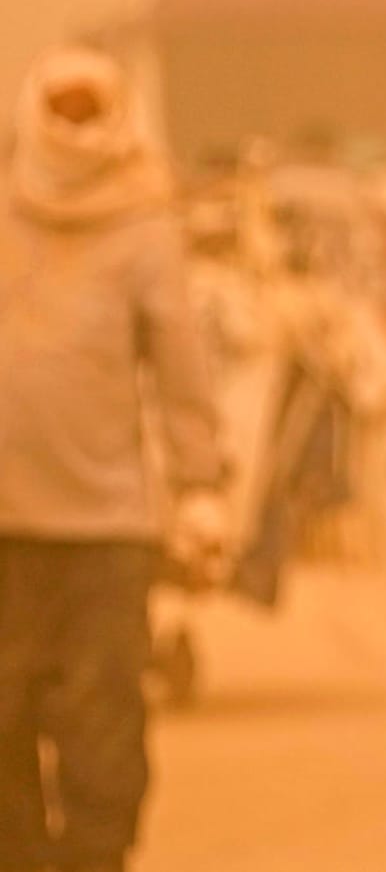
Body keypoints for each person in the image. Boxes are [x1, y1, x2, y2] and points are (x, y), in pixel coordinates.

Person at [0, 45, 227, 872]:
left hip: (106, 528)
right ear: (31, 112)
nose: (71, 126)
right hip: (6, 529)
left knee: (102, 734)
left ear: (116, 118)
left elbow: (180, 365)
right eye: (57, 108)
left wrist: (201, 486)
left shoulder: (145, 224)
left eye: (86, 109)